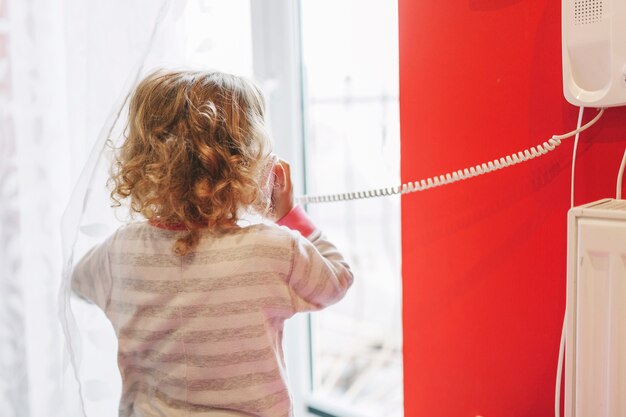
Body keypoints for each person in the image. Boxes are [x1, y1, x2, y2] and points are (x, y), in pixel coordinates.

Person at [71, 70, 353, 417]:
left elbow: (78, 284)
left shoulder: (118, 252)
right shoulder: (273, 250)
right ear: (250, 162)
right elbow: (337, 280)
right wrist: (290, 214)